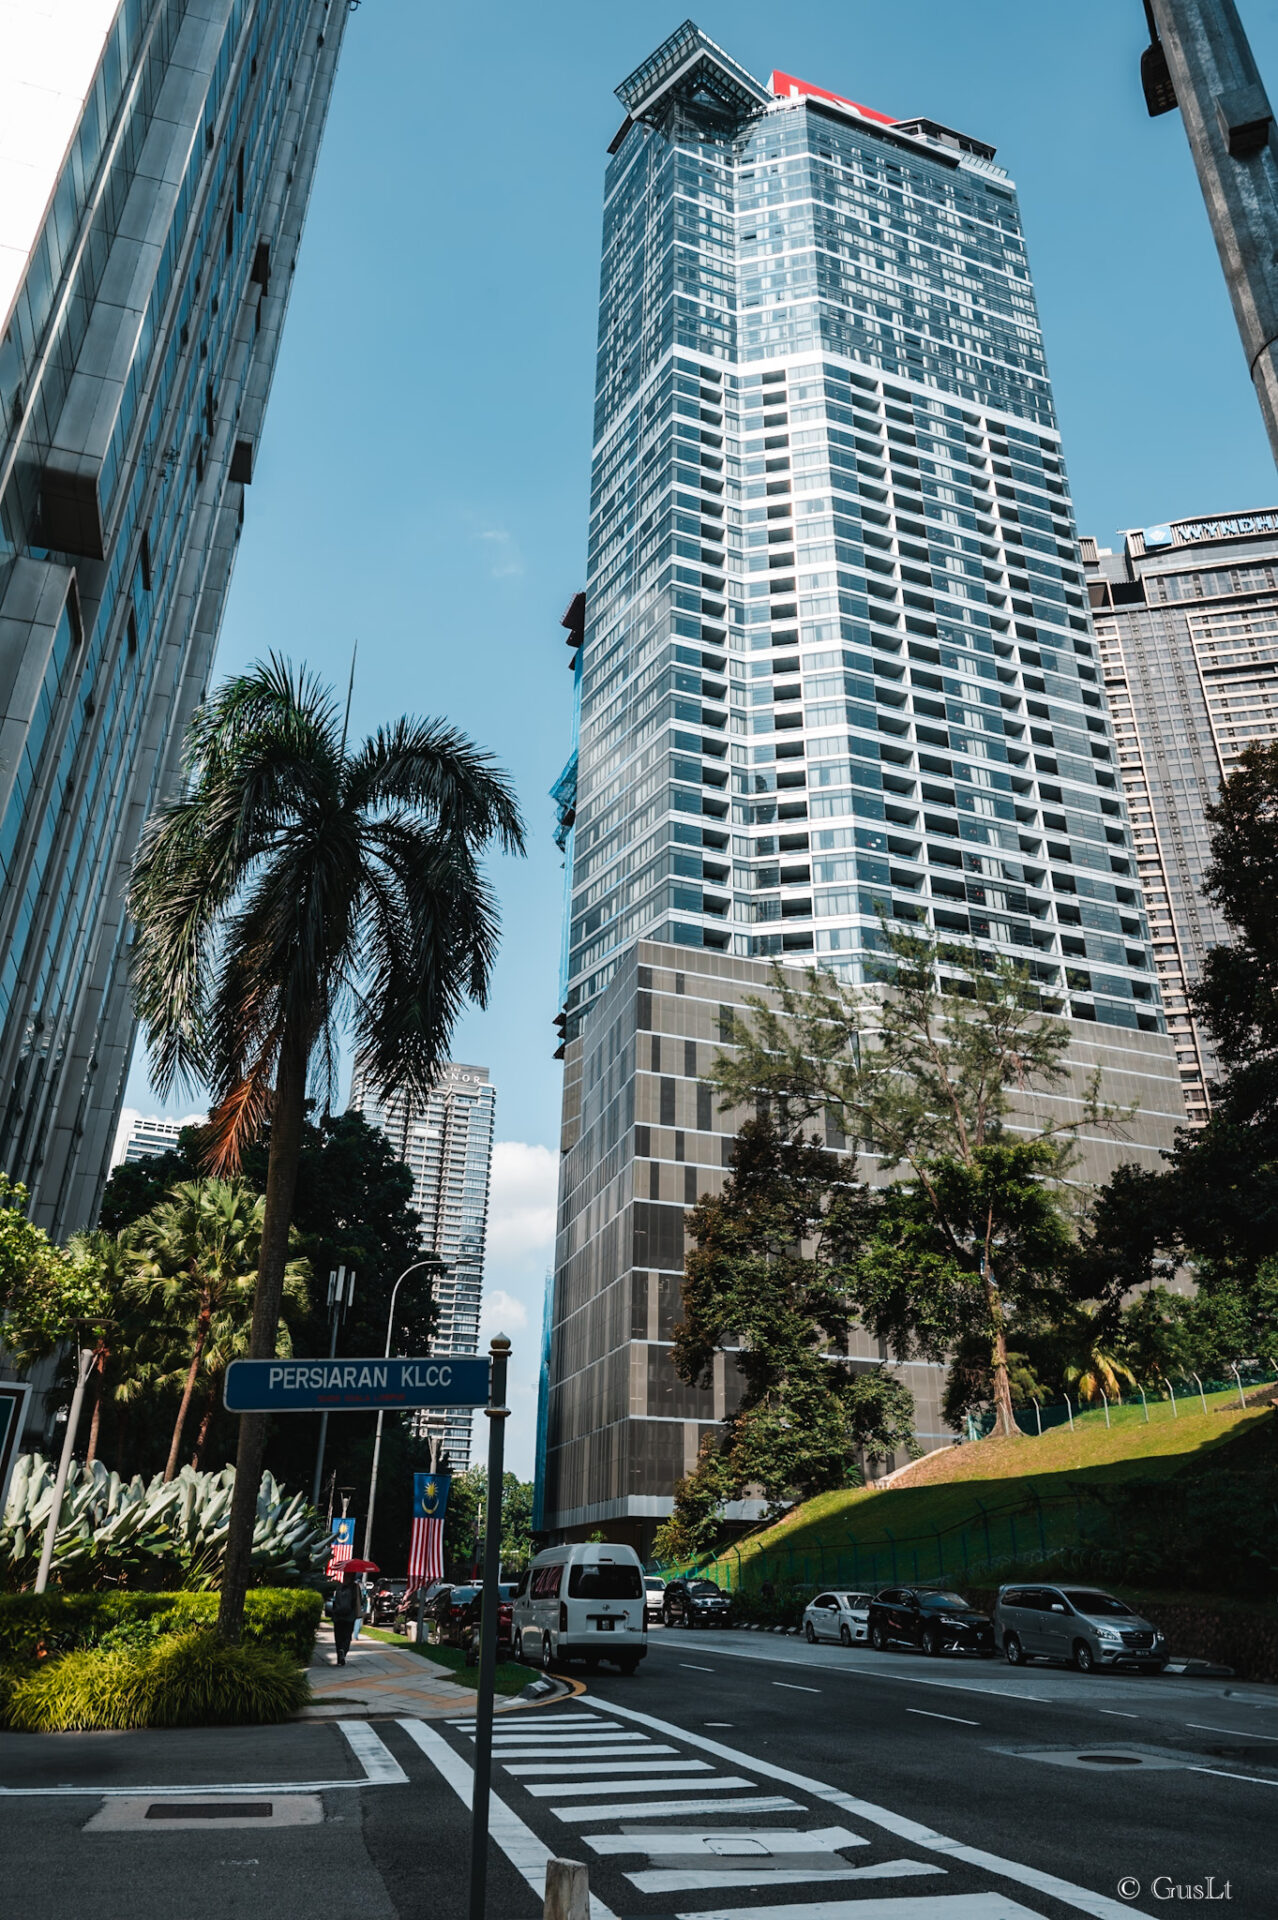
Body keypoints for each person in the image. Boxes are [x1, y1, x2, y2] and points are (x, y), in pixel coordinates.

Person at [330, 1570, 362, 1665]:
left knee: (338, 1637)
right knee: (347, 1636)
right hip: (349, 1616)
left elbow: (334, 1600)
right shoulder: (355, 1587)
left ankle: (339, 1657)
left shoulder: (338, 1586)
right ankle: (343, 1651)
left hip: (338, 1615)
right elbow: (359, 1600)